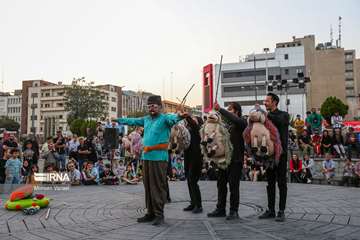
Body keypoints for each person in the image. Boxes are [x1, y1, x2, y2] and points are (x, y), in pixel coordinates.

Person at [113, 95, 187, 226]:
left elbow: (173, 118)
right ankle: (150, 213)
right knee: (147, 186)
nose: (151, 108)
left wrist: (180, 116)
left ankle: (159, 214)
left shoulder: (165, 118)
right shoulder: (146, 119)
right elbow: (132, 121)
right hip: (146, 157)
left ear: (160, 107)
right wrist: (119, 120)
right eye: (149, 106)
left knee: (157, 186)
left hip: (159, 158)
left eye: (154, 106)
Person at [208, 102, 247, 220]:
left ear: (237, 112)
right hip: (223, 159)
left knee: (233, 185)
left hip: (235, 159)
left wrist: (221, 110)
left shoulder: (242, 123)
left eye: (230, 109)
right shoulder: (225, 125)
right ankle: (220, 208)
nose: (227, 111)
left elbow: (235, 120)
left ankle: (234, 211)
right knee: (221, 184)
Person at [259, 93, 289, 222]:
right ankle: (270, 210)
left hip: (280, 154)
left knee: (281, 183)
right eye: (264, 101)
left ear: (275, 102)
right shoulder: (266, 117)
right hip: (268, 155)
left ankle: (281, 211)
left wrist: (266, 116)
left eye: (267, 101)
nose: (265, 103)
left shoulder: (284, 115)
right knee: (270, 183)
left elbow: (280, 122)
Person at [182, 115, 203, 213]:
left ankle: (198, 205)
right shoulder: (189, 130)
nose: (192, 120)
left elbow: (193, 124)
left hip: (196, 159)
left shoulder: (198, 129)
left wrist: (187, 116)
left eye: (195, 119)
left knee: (193, 181)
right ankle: (193, 203)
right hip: (188, 157)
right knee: (189, 181)